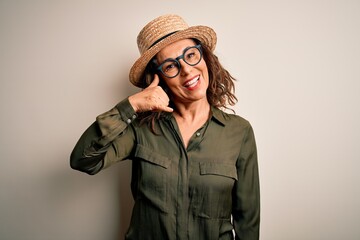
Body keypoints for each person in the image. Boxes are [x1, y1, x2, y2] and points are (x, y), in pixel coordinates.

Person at [70, 14, 260, 240]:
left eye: (191, 55)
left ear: (205, 57)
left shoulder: (239, 132)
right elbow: (83, 160)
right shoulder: (140, 129)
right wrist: (131, 105)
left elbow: (247, 224)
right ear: (158, 77)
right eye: (171, 66)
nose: (187, 70)